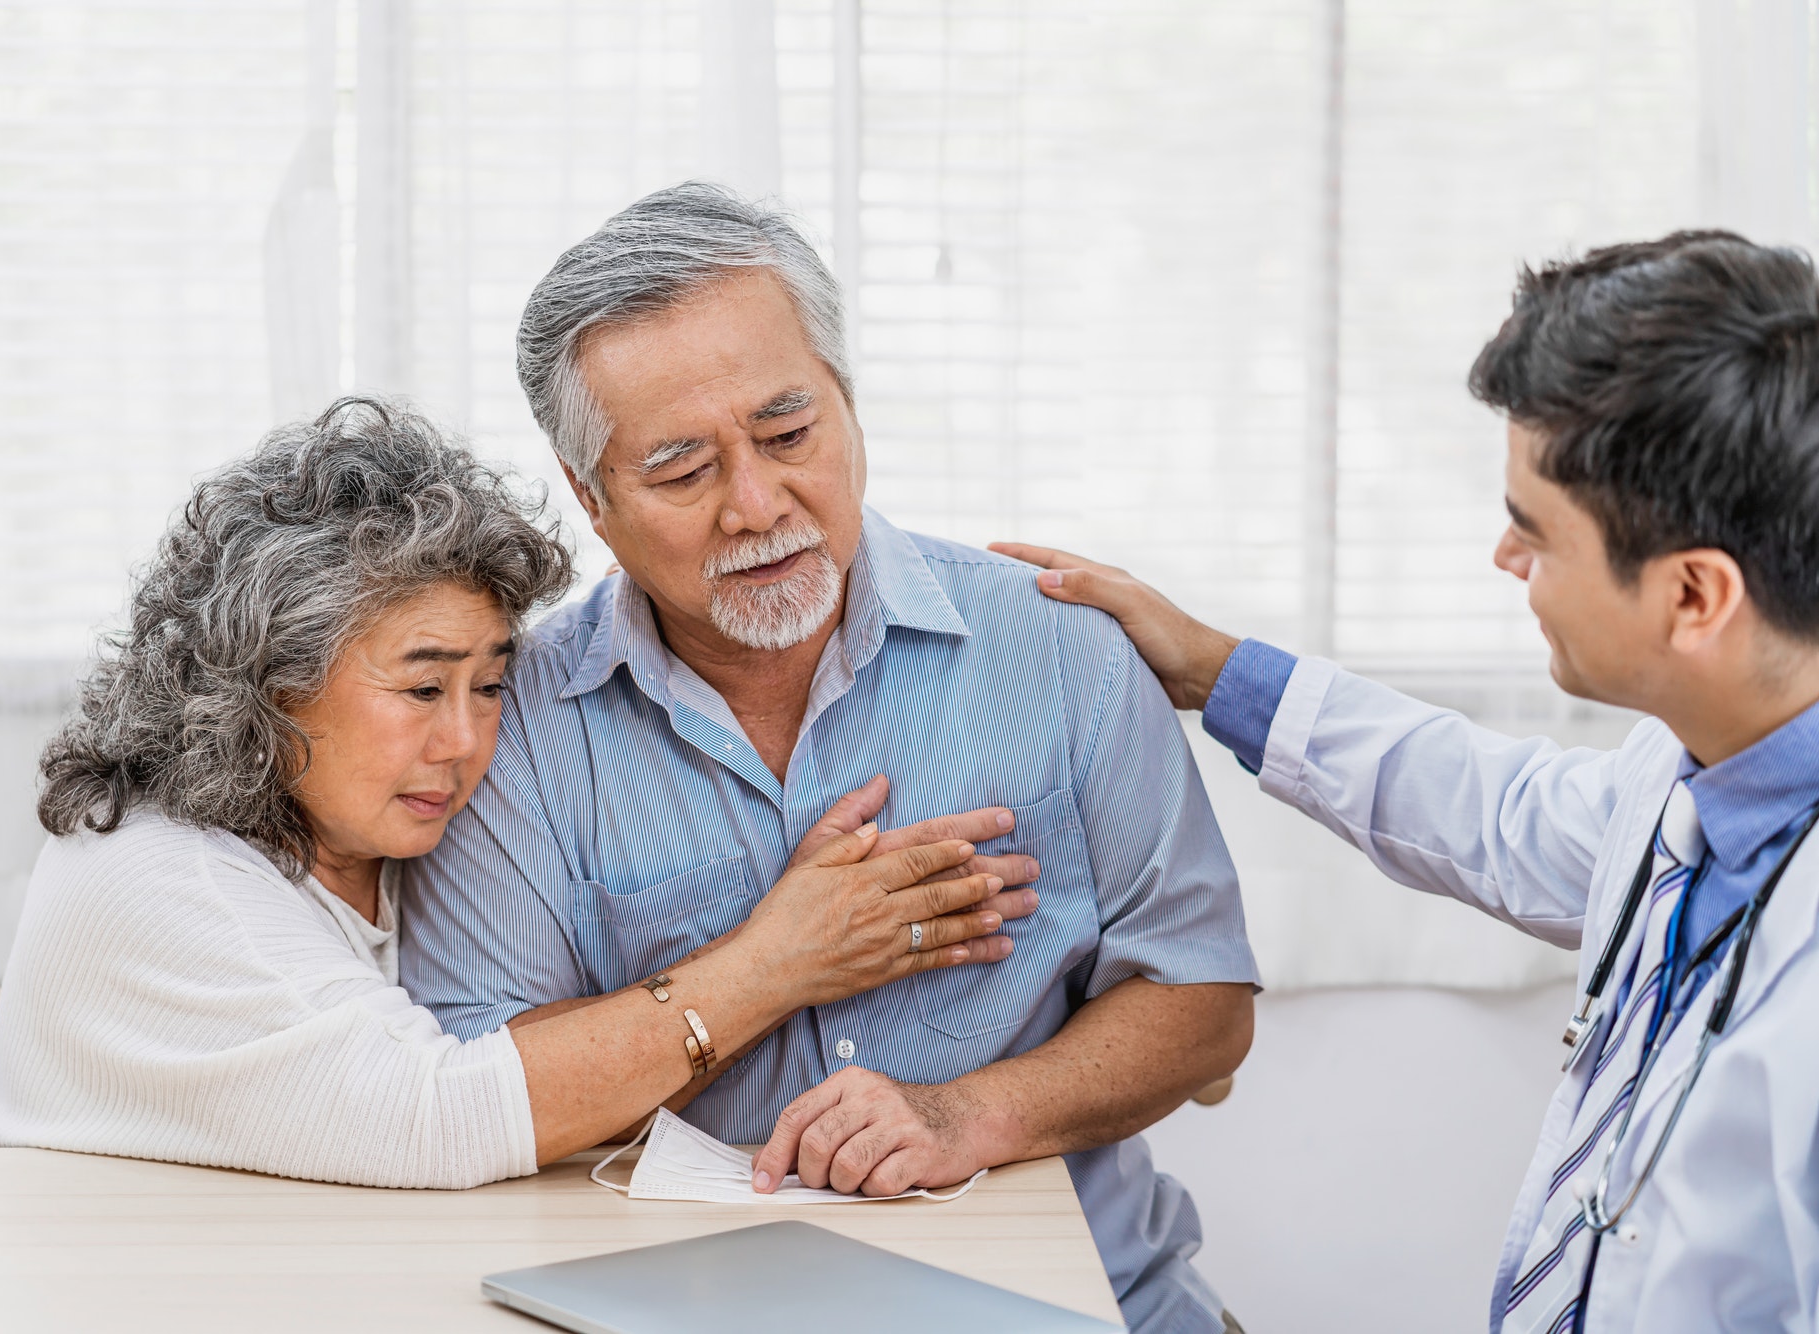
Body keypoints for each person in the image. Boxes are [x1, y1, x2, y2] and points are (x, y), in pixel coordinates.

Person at [401, 183, 1259, 1334]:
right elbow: (483, 1090)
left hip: (1088, 1306)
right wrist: (769, 963)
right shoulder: (516, 728)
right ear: (591, 498)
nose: (757, 504)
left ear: (849, 405)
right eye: (680, 469)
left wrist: (964, 1116)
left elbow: (1202, 1002)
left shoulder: (1060, 648)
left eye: (789, 432)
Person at [995, 231, 1819, 1334]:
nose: (1502, 557)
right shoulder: (1696, 776)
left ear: (1691, 597)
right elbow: (1498, 812)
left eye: (1534, 532)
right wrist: (1213, 668)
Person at [0, 395, 1035, 1186]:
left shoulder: (368, 853)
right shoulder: (159, 873)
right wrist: (780, 957)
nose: (467, 738)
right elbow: (437, 1112)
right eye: (423, 684)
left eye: (489, 685)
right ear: (269, 678)